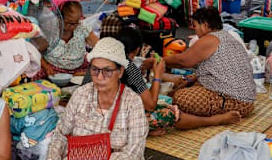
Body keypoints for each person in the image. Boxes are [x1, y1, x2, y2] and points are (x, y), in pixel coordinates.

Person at [83, 27, 242, 135]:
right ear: (136, 50)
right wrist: (157, 74)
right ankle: (214, 120)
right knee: (170, 113)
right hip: (110, 125)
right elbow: (150, 105)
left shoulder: (97, 60)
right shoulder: (129, 67)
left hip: (87, 119)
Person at [145, 7, 256, 118]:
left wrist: (158, 61)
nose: (195, 30)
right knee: (189, 80)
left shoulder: (210, 39)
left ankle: (221, 118)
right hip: (246, 99)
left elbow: (183, 61)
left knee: (180, 98)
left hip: (236, 103)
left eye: (196, 25)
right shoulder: (226, 36)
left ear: (205, 25)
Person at [41, 1, 99, 75]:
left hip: (79, 67)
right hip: (53, 68)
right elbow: (36, 52)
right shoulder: (49, 30)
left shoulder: (82, 28)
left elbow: (99, 46)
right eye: (69, 23)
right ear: (59, 18)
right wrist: (46, 67)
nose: (73, 26)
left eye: (76, 22)